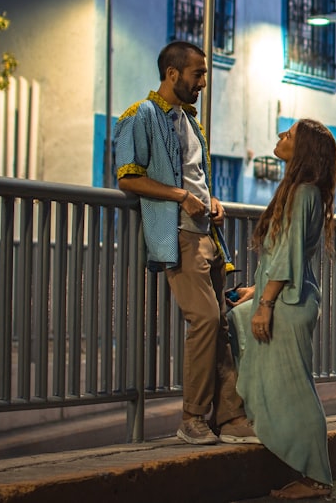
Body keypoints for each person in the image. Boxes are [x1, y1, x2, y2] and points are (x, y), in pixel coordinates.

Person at [114, 40, 258, 446]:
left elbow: (195, 179)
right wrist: (181, 197)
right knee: (207, 320)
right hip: (177, 236)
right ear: (173, 73)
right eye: (198, 74)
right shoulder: (140, 115)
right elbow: (127, 177)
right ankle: (192, 417)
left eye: (205, 74)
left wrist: (211, 200)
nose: (203, 83)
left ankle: (229, 417)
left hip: (207, 236)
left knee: (223, 324)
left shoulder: (190, 122)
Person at [228, 119, 336, 500]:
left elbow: (290, 255)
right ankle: (241, 417)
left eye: (288, 135)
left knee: (297, 390)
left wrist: (267, 304)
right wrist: (256, 293)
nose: (279, 137)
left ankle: (316, 479)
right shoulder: (300, 191)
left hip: (289, 304)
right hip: (283, 296)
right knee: (234, 317)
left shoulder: (304, 193)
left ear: (303, 149)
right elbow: (281, 253)